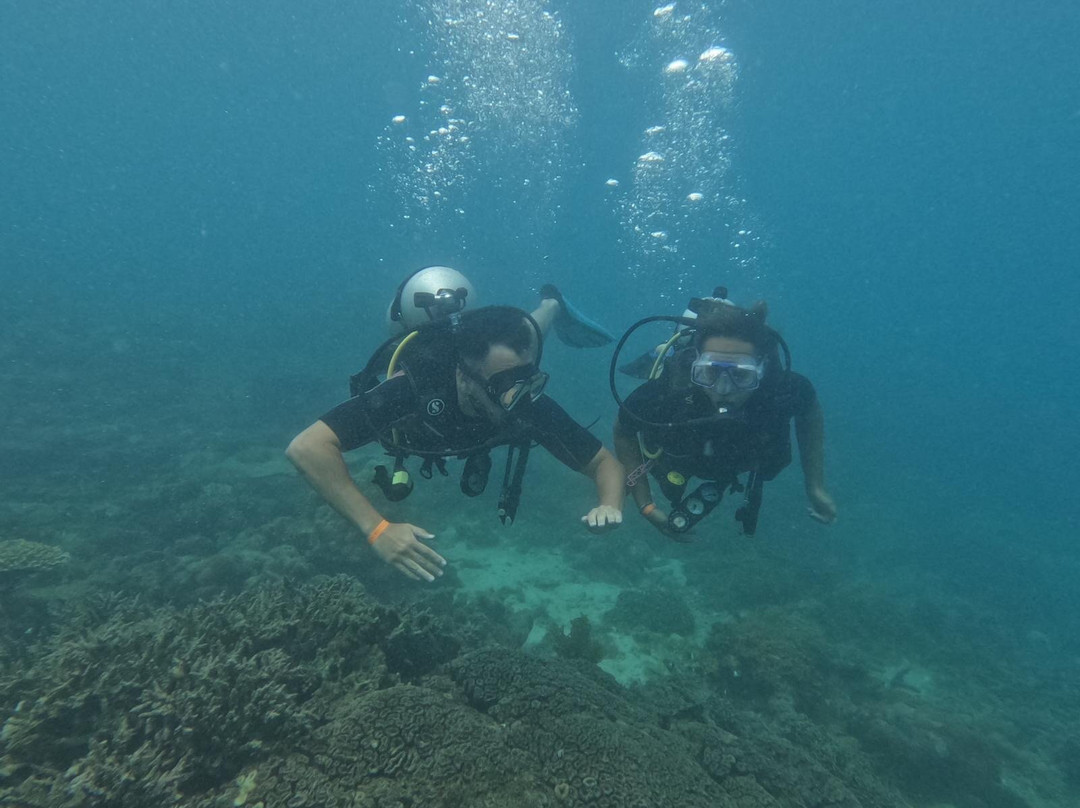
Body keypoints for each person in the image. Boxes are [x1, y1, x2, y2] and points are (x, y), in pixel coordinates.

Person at [288, 305, 624, 582]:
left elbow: (604, 464)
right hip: (430, 401)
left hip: (492, 369)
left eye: (526, 380)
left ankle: (551, 304)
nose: (517, 398)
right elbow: (307, 447)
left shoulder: (525, 401)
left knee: (533, 329)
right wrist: (377, 529)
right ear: (463, 375)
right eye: (502, 386)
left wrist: (609, 505)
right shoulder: (415, 389)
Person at [612, 288, 836, 538]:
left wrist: (815, 486)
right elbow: (623, 430)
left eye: (741, 375)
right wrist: (646, 504)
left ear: (761, 370)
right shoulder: (670, 392)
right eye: (710, 372)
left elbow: (810, 411)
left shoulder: (781, 390)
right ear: (695, 365)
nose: (724, 389)